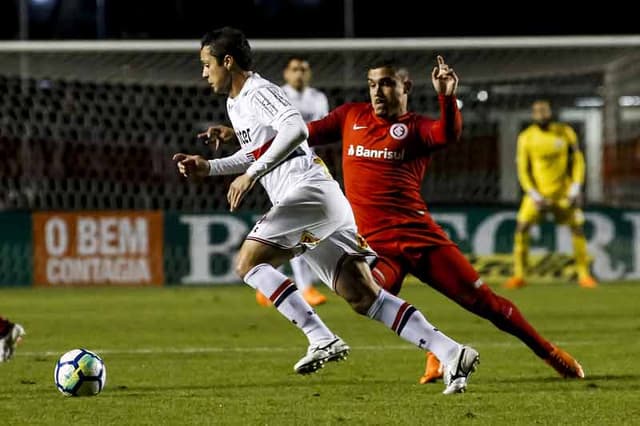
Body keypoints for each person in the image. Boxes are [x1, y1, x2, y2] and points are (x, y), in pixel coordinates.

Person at [173, 27, 478, 394]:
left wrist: (252, 175)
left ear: (228, 61)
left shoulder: (258, 91)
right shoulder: (235, 104)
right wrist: (210, 167)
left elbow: (296, 130)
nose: (204, 73)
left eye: (207, 64)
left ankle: (320, 337)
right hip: (320, 200)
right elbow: (260, 150)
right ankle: (451, 351)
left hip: (307, 192)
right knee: (363, 296)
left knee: (248, 263)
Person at [300, 58, 585, 384]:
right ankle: (436, 347)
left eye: (387, 83)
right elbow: (301, 134)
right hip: (377, 245)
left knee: (487, 305)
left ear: (405, 87)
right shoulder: (351, 116)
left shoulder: (418, 127)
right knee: (365, 294)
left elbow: (448, 134)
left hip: (421, 239)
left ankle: (549, 353)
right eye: (372, 84)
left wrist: (447, 97)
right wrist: (241, 138)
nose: (378, 91)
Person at [254, 56, 330, 308]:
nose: (300, 73)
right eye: (295, 69)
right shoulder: (276, 95)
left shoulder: (318, 98)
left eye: (304, 69)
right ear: (286, 73)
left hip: (308, 166)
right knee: (295, 228)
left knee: (288, 229)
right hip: (282, 168)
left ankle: (266, 283)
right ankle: (304, 287)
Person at [505, 100, 597, 289]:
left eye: (544, 111)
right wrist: (533, 194)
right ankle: (519, 276)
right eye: (537, 112)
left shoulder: (565, 132)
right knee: (521, 228)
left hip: (563, 193)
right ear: (533, 115)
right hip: (537, 194)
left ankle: (584, 276)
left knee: (577, 229)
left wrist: (575, 188)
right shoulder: (527, 137)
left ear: (550, 113)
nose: (541, 115)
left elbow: (578, 161)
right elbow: (523, 169)